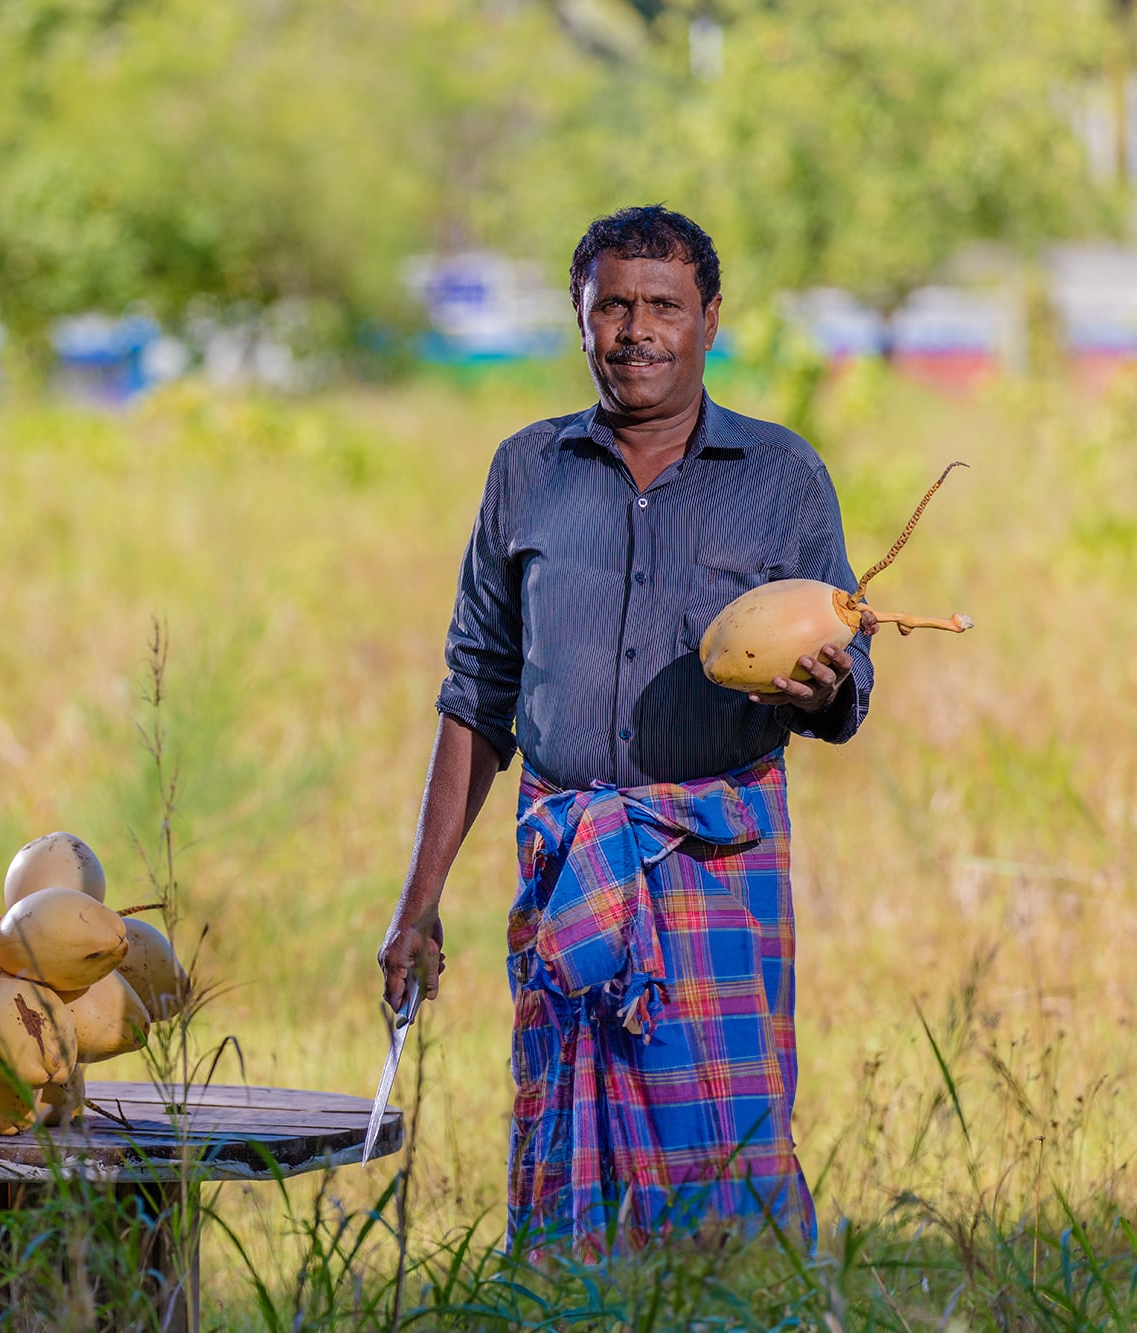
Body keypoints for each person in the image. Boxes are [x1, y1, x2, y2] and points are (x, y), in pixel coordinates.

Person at [376, 205, 878, 1255]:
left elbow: (845, 686)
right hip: (568, 869)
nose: (634, 328)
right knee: (568, 1158)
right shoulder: (528, 471)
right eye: (610, 304)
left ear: (707, 320)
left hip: (715, 864)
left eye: (661, 305)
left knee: (725, 1162)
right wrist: (416, 906)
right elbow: (475, 691)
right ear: (577, 316)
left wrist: (819, 692)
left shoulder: (781, 478)